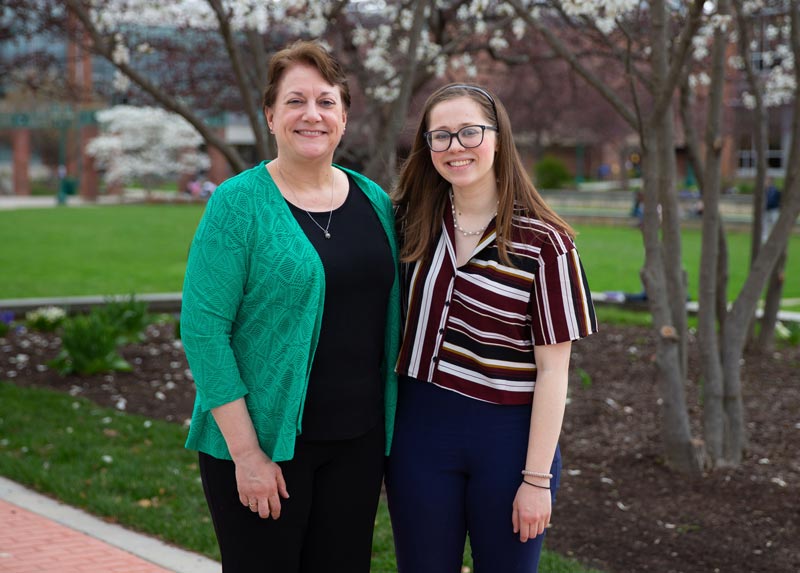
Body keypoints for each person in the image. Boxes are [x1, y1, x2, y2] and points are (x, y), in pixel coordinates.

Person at [180, 40, 400, 573]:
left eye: (326, 102)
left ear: (344, 118)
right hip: (265, 443)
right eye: (296, 101)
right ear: (271, 115)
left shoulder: (375, 200)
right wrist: (248, 455)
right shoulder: (238, 202)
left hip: (358, 442)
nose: (312, 114)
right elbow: (203, 329)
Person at [387, 83, 598, 573]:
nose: (454, 147)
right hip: (419, 433)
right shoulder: (409, 224)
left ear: (498, 138)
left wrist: (537, 479)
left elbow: (554, 372)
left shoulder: (547, 244)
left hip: (508, 443)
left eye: (469, 132)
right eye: (440, 136)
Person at [763, 178, 781, 243]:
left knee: (774, 223)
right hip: (766, 209)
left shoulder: (775, 190)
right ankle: (765, 237)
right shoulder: (764, 190)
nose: (766, 183)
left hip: (774, 209)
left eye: (767, 181)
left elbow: (778, 199)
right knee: (765, 223)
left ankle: (775, 237)